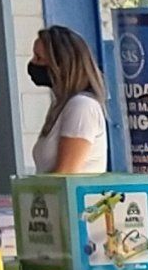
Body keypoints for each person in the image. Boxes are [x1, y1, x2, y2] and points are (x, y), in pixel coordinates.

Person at [27, 27, 108, 174]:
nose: (33, 62)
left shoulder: (82, 106)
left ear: (60, 65)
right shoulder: (61, 106)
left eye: (39, 58)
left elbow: (66, 172)